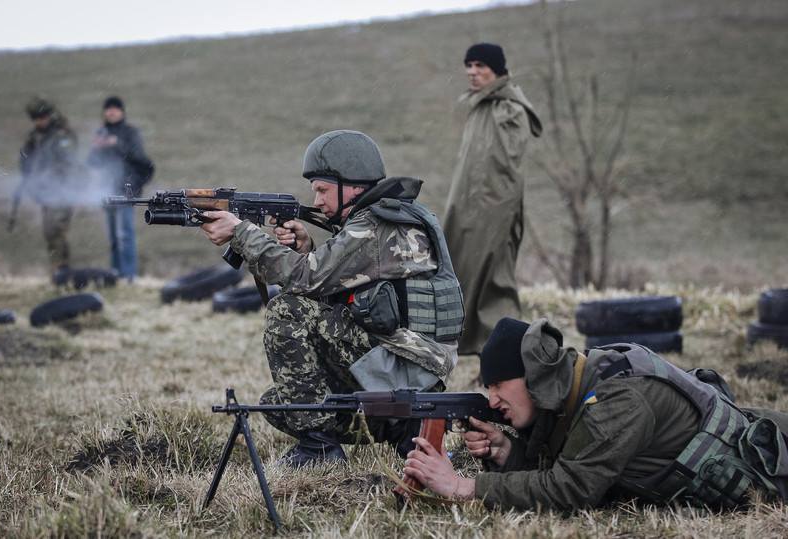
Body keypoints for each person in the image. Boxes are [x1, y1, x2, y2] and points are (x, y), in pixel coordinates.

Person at [200, 130, 465, 467]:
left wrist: (241, 233)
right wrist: (307, 249)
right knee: (284, 403)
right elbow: (347, 285)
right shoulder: (390, 218)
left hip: (405, 366)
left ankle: (320, 450)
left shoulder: (374, 226)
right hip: (411, 367)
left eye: (323, 190)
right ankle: (402, 428)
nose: (319, 201)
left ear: (352, 185)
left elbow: (304, 279)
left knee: (287, 310)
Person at [403, 317, 788, 509]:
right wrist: (508, 452)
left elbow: (572, 488)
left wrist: (464, 487)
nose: (491, 399)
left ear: (534, 376)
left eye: (499, 384)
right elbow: (574, 464)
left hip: (773, 477)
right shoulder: (578, 388)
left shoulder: (616, 400)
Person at [442, 43, 543, 355]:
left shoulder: (510, 110)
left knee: (494, 281)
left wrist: (496, 216)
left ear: (497, 70)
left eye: (480, 66)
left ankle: (506, 356)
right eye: (468, 65)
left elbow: (507, 173)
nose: (472, 72)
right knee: (459, 273)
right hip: (467, 210)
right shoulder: (480, 107)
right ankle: (479, 350)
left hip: (494, 213)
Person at [87, 96, 154, 281]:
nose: (111, 112)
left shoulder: (130, 133)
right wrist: (96, 148)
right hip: (107, 191)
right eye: (108, 109)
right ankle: (115, 274)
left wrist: (117, 145)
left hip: (126, 190)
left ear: (122, 111)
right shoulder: (101, 134)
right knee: (114, 238)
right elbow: (91, 162)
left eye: (115, 109)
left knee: (125, 234)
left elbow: (139, 157)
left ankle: (130, 275)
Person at [17, 97, 79, 276]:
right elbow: (25, 158)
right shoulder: (35, 136)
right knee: (49, 231)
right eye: (36, 118)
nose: (39, 121)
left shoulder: (62, 135)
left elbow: (68, 162)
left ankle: (62, 269)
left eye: (42, 117)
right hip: (45, 191)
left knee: (56, 229)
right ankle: (57, 269)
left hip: (63, 190)